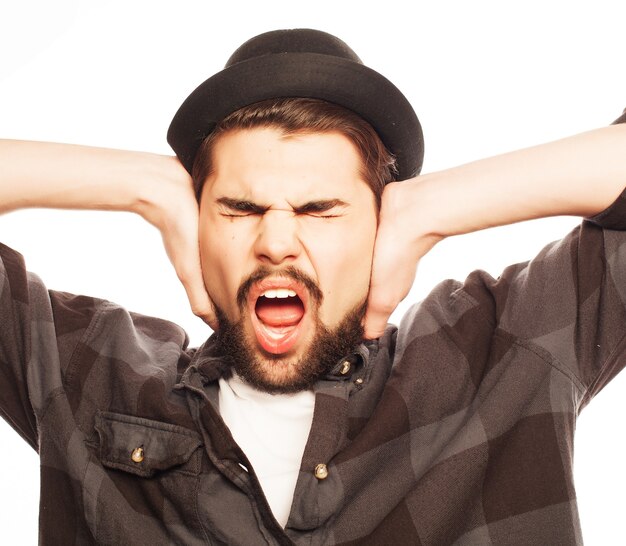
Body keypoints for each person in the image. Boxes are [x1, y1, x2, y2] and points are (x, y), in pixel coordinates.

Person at [1, 27, 625, 545]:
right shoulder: (85, 371)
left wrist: (434, 206)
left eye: (320, 208)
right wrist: (140, 185)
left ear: (381, 229)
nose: (275, 242)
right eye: (241, 208)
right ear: (194, 229)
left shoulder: (504, 346)